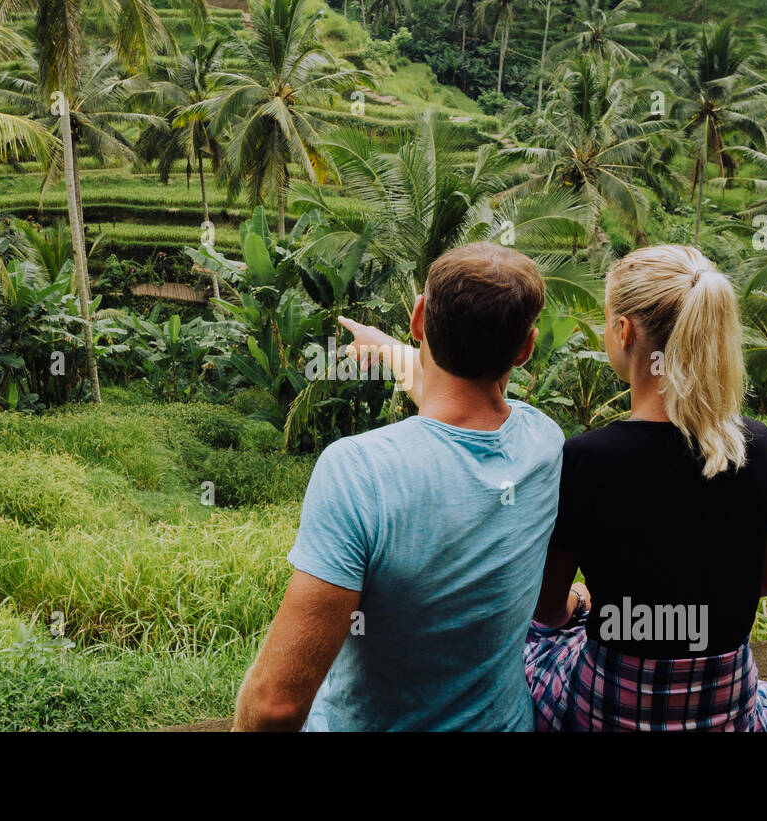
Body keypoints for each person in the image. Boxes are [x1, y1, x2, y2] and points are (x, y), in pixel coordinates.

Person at [232, 242, 566, 731]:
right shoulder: (544, 443)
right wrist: (383, 346)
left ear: (418, 319)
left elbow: (274, 707)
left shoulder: (358, 471)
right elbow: (456, 398)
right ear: (526, 346)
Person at [526, 244, 767, 731]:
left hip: (615, 706)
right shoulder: (757, 446)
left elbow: (546, 608)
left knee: (523, 645)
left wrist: (580, 601)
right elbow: (765, 582)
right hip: (725, 704)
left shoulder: (584, 458)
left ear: (623, 332)